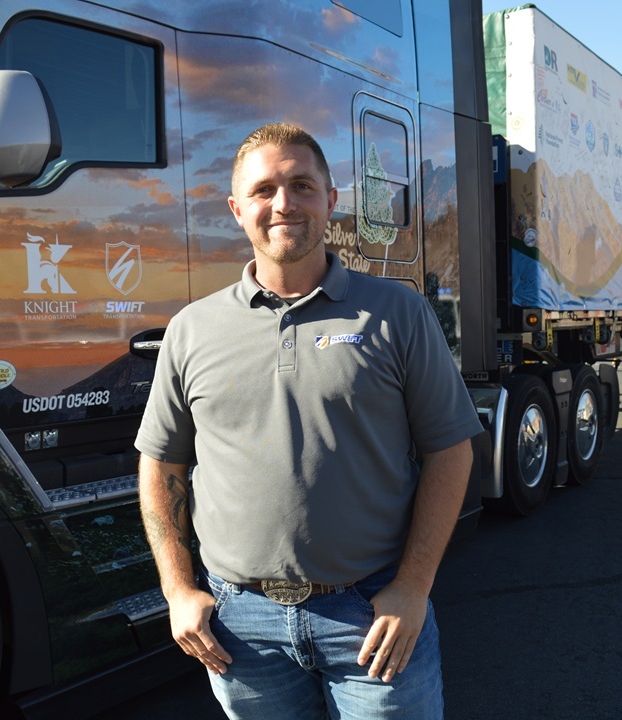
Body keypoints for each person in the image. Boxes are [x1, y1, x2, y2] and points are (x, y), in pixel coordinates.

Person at [135, 122, 484, 719]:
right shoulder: (192, 330)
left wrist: (412, 587)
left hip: (371, 616)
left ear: (331, 201)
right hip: (240, 628)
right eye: (264, 189)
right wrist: (177, 589)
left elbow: (450, 450)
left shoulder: (398, 313)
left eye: (301, 185)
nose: (284, 204)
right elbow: (161, 464)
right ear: (237, 209)